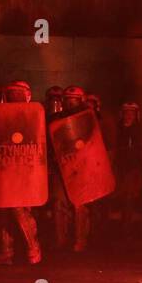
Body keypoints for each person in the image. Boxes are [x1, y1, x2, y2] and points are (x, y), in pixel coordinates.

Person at [0, 80, 42, 265]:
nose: (14, 98)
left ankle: (33, 248)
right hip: (7, 169)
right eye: (12, 94)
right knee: (3, 210)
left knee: (20, 212)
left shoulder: (33, 115)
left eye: (18, 94)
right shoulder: (2, 116)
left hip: (25, 171)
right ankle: (6, 252)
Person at [49, 84, 93, 252]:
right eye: (68, 101)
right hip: (62, 167)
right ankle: (61, 240)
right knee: (59, 204)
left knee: (80, 205)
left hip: (81, 168)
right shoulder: (56, 119)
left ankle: (80, 241)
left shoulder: (88, 119)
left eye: (74, 101)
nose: (71, 104)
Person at [111, 101, 142, 239]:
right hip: (117, 168)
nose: (129, 116)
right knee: (117, 197)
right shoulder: (116, 129)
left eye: (132, 113)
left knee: (128, 198)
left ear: (136, 115)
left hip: (132, 170)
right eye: (126, 113)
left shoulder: (139, 131)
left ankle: (126, 229)